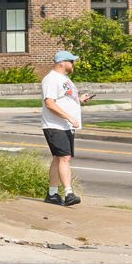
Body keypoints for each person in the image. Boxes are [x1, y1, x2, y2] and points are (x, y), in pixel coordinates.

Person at [40, 49, 92, 206]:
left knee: (58, 158)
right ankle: (69, 193)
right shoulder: (51, 79)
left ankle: (52, 194)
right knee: (64, 158)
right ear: (62, 63)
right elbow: (49, 103)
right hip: (55, 125)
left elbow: (64, 99)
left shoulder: (64, 79)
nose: (73, 64)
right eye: (71, 61)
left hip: (65, 126)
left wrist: (79, 100)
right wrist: (69, 117)